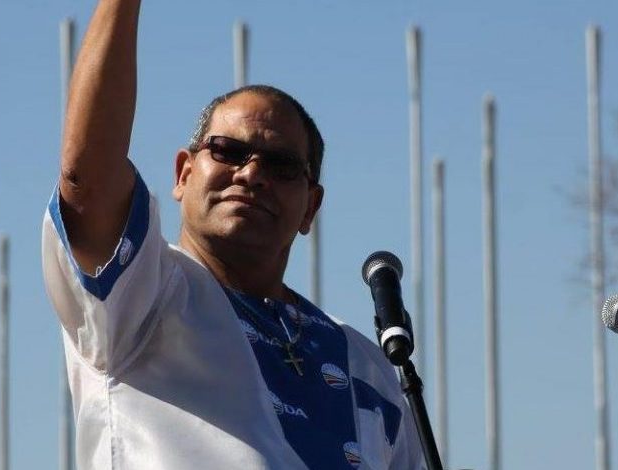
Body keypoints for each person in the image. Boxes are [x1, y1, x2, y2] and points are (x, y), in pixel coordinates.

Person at [41, 1, 425, 468]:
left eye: (281, 165)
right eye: (227, 151)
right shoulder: (141, 294)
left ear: (311, 207)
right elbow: (87, 182)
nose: (252, 174)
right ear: (183, 174)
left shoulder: (368, 367)